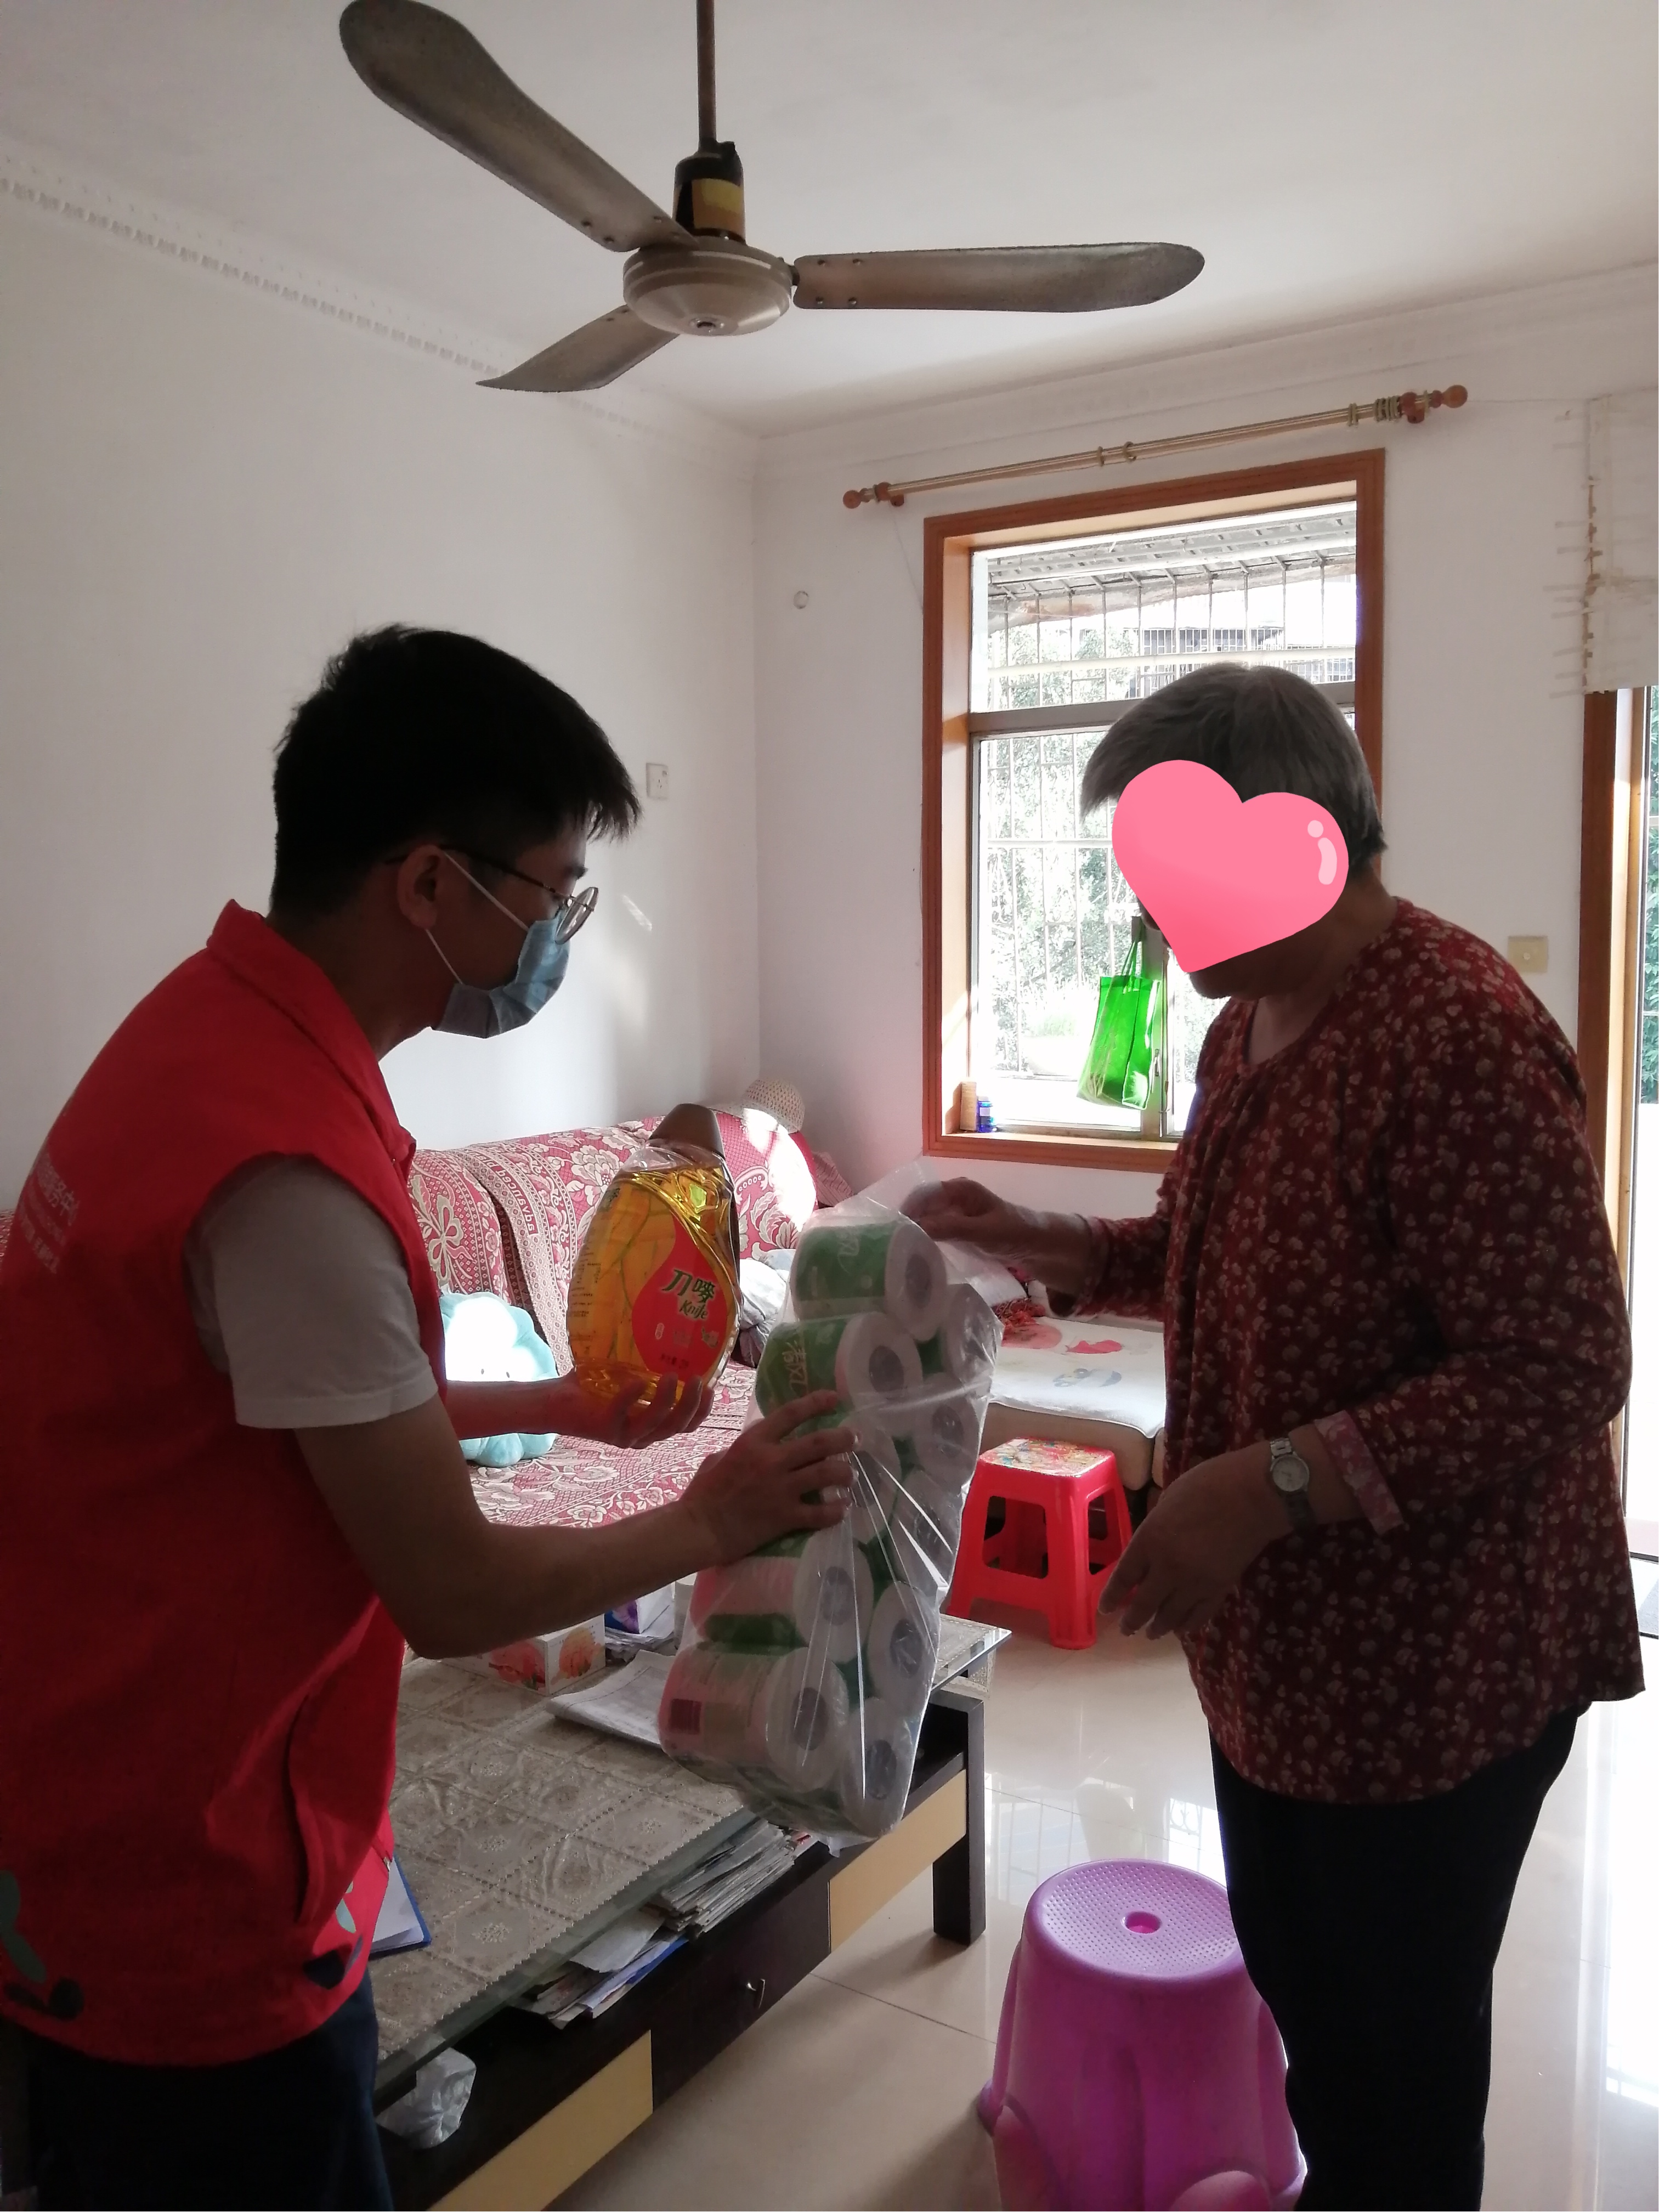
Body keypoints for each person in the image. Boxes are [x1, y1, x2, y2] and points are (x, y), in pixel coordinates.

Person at [0, 627, 853, 2210]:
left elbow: (312, 1390)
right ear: (428, 885)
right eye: (553, 893)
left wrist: (568, 1402)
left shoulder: (211, 1036)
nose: (558, 935)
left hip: (92, 1782)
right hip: (194, 1867)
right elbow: (452, 1592)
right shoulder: (286, 1167)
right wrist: (708, 1515)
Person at [908, 665, 1644, 2212]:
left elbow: (1562, 1361)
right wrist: (1041, 1236)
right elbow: (1205, 1242)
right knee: (1311, 1993)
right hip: (1283, 1665)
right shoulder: (1245, 1025)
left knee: (1395, 2065)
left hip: (1434, 1671)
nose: (1148, 911)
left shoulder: (1455, 1034)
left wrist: (1265, 1486)